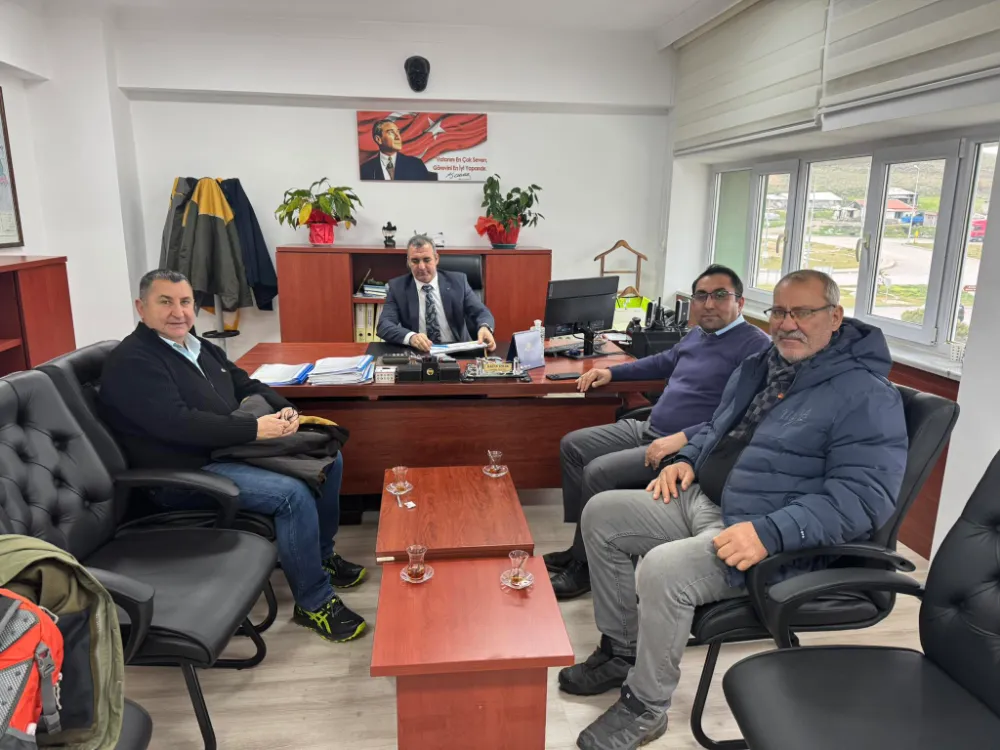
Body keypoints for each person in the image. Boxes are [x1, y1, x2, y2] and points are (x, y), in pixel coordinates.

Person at [561, 269, 908, 750]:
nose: (787, 323)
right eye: (780, 312)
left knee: (662, 569)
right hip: (712, 500)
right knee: (602, 513)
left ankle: (646, 706)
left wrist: (771, 532)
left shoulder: (865, 394)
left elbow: (864, 497)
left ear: (835, 317)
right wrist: (687, 459)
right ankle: (622, 652)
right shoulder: (765, 364)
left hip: (768, 536)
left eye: (803, 312)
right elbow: (719, 426)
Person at [99, 269, 369, 643]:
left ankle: (322, 557)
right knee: (292, 496)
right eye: (165, 302)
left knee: (327, 455)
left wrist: (287, 409)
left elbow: (246, 383)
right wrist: (255, 430)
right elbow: (178, 424)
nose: (178, 312)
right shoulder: (134, 360)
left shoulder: (196, 345)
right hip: (184, 472)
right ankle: (314, 602)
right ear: (141, 307)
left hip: (226, 448)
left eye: (185, 302)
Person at [545, 265, 771, 599]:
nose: (709, 304)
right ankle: (580, 547)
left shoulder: (756, 347)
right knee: (573, 446)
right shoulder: (698, 334)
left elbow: (742, 415)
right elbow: (662, 361)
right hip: (649, 427)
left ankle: (584, 570)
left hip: (684, 447)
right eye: (702, 296)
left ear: (740, 302)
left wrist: (684, 438)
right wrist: (612, 373)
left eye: (720, 295)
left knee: (599, 472)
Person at [377, 234, 497, 352]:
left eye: (427, 260)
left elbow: (481, 312)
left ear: (436, 259)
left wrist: (485, 327)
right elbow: (384, 325)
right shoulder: (398, 288)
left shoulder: (458, 282)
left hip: (457, 352)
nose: (421, 267)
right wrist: (411, 337)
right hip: (419, 353)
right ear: (408, 262)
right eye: (415, 261)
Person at [360, 120, 438, 181]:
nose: (398, 137)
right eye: (391, 132)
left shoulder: (416, 165)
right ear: (378, 139)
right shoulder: (365, 169)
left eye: (398, 132)